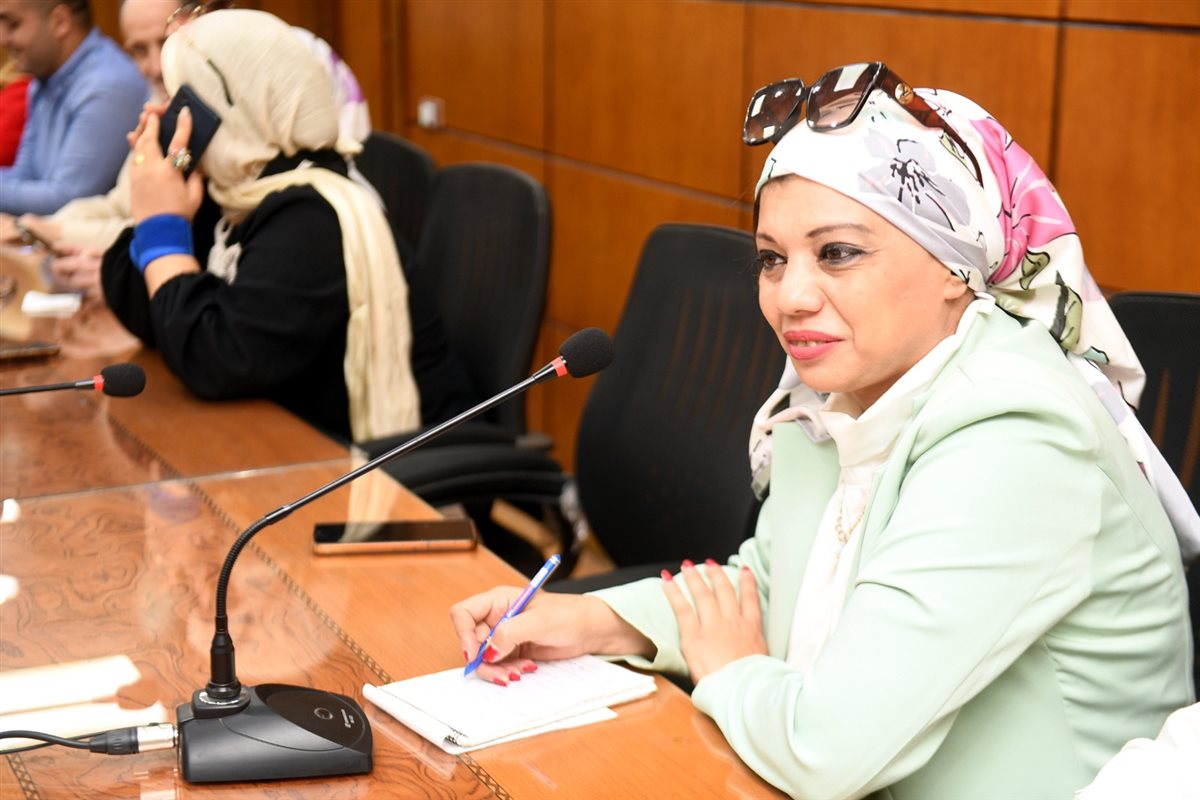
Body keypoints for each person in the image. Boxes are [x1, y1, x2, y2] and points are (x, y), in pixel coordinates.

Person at [450, 62, 1197, 799]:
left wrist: (730, 672)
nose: (791, 297)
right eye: (772, 260)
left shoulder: (1018, 435)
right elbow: (770, 591)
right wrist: (594, 620)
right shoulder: (836, 393)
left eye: (837, 253)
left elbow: (827, 748)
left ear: (955, 265)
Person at [99, 9, 427, 442]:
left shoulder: (313, 216)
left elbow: (216, 360)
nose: (174, 118)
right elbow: (148, 314)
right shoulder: (234, 192)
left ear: (235, 108)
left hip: (387, 459)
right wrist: (161, 191)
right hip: (289, 436)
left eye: (186, 103)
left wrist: (162, 231)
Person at [0, 0, 375, 297]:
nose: (154, 67)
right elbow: (128, 204)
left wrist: (47, 230)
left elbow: (175, 218)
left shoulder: (256, 74)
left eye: (166, 42)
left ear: (207, 18)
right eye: (138, 50)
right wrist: (37, 227)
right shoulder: (169, 99)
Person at [0, 0, 145, 214]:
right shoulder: (44, 79)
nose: (3, 39)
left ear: (60, 22)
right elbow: (25, 174)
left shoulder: (107, 85)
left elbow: (67, 200)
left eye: (13, 25)